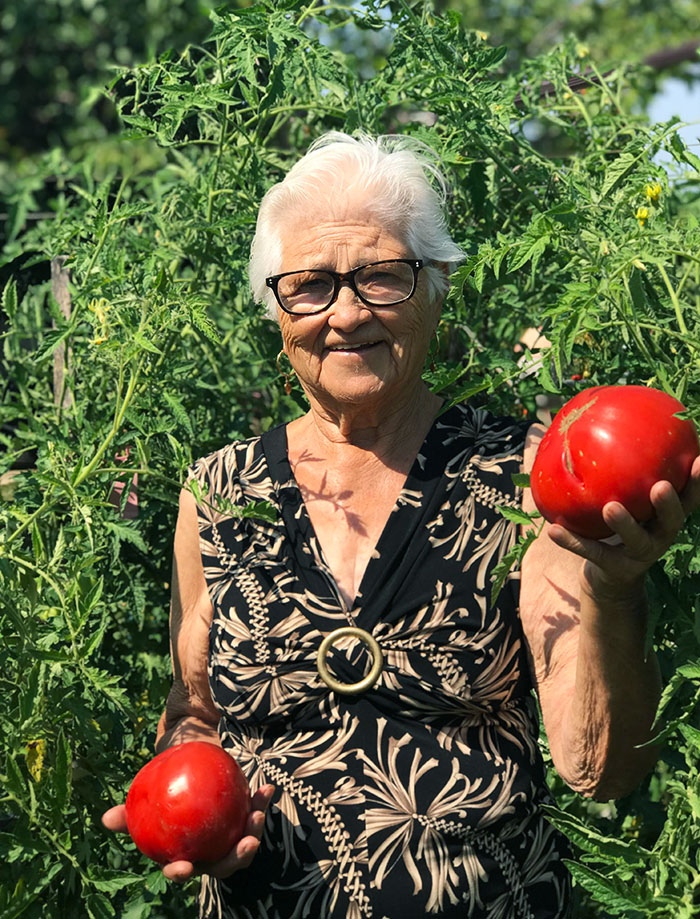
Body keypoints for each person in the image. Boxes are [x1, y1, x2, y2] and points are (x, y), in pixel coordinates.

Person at [103, 132, 700, 918]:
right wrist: (184, 803)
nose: (346, 312)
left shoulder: (522, 477)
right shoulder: (217, 494)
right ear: (277, 310)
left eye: (383, 276)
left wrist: (614, 592)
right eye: (310, 285)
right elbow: (194, 711)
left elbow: (600, 768)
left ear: (435, 287)